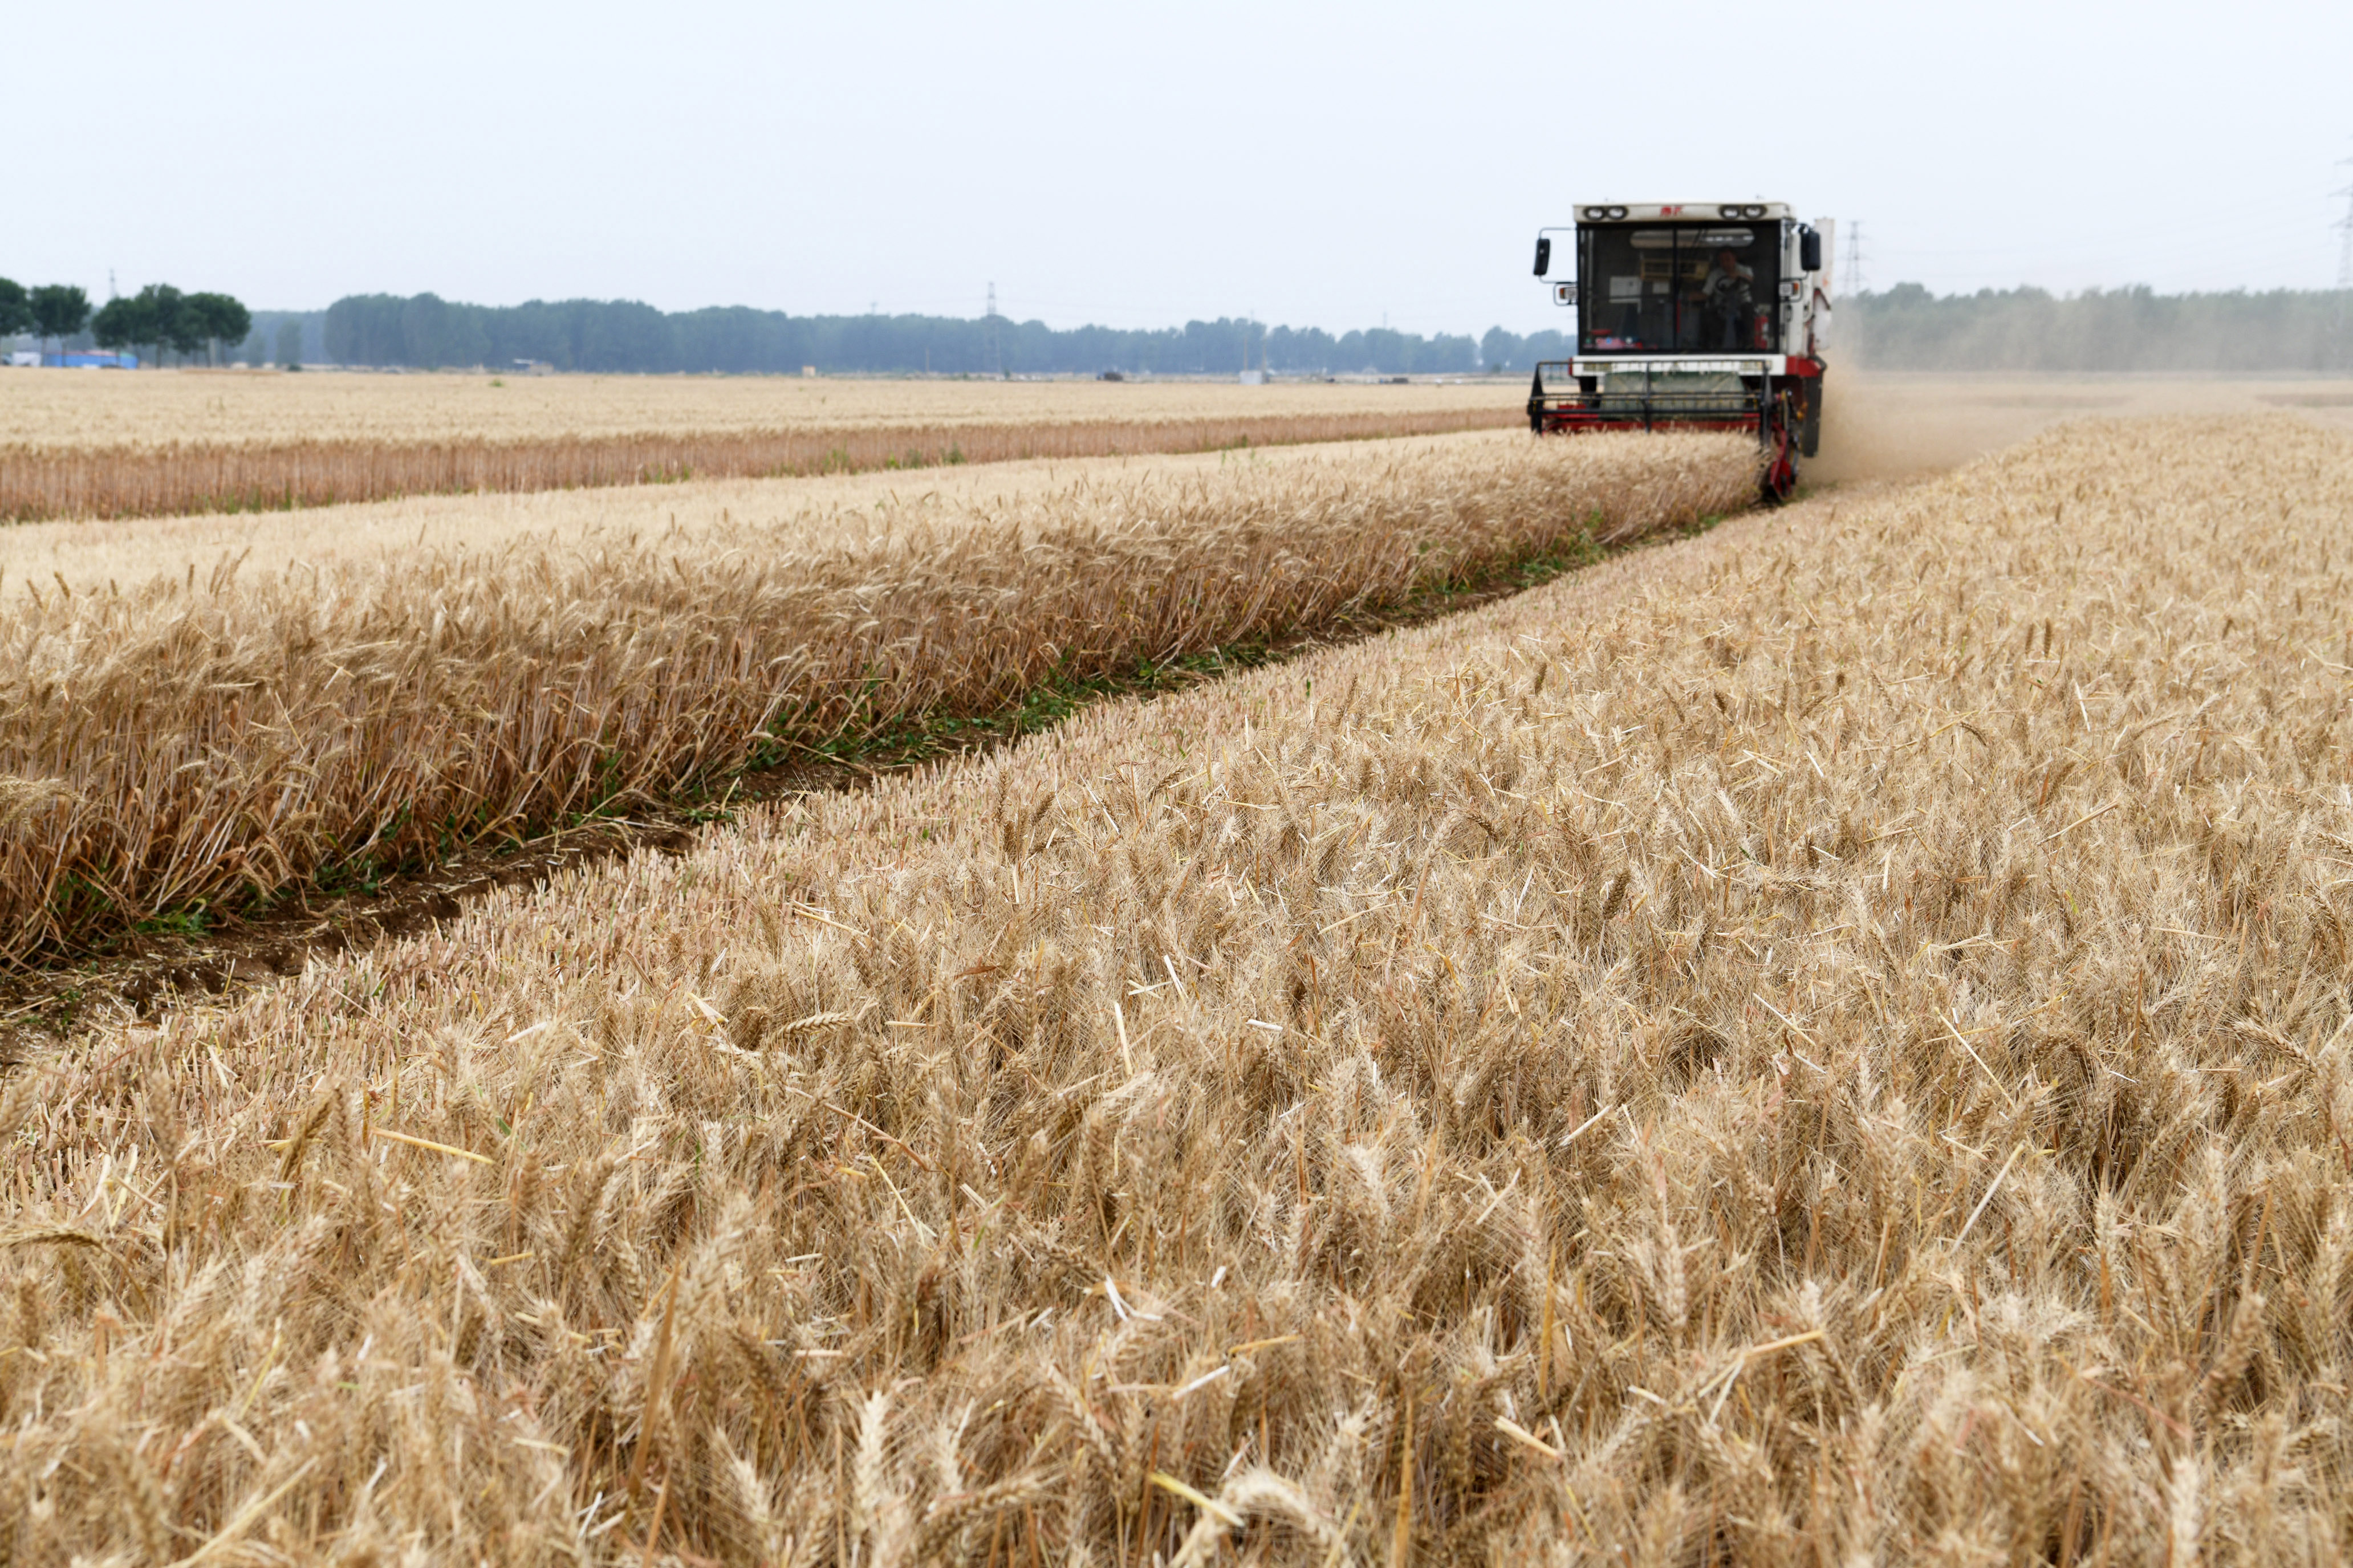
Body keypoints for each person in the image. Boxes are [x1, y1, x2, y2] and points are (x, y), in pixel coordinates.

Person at [1697, 247, 1754, 349]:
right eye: (1722, 260)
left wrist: (1738, 276)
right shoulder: (1715, 275)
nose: (1725, 263)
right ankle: (1712, 345)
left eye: (1728, 259)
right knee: (1708, 315)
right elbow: (1706, 294)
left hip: (1743, 303)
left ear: (1734, 259)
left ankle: (1748, 344)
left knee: (1748, 312)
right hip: (1721, 306)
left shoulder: (1745, 270)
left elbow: (1750, 279)